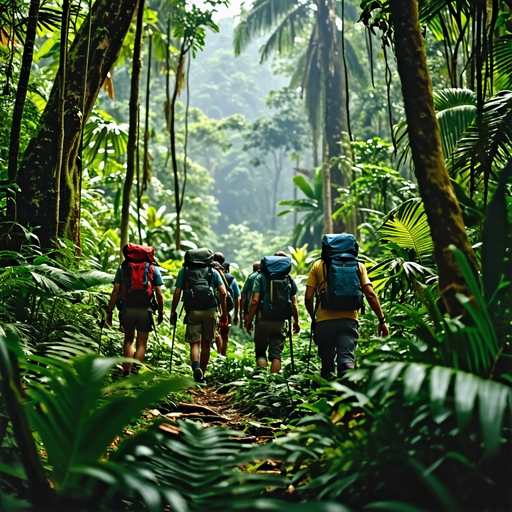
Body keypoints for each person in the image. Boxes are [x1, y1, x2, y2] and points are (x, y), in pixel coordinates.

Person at [304, 233, 389, 379]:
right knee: (347, 358)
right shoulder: (358, 265)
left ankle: (328, 396)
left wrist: (313, 317)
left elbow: (308, 297)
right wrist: (381, 320)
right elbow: (370, 294)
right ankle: (347, 394)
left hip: (324, 321)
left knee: (327, 361)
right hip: (349, 320)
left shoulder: (318, 265)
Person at [106, 244, 164, 377]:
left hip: (127, 309)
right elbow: (159, 294)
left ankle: (127, 372)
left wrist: (109, 312)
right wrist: (160, 313)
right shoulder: (152, 268)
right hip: (146, 309)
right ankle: (136, 372)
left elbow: (115, 292)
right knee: (142, 343)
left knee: (128, 341)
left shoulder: (122, 268)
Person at [170, 248, 228, 383]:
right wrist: (224, 313)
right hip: (211, 310)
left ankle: (196, 367)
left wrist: (173, 311)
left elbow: (177, 293)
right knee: (206, 344)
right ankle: (202, 375)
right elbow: (223, 293)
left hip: (193, 311)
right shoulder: (213, 271)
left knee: (194, 343)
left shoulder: (184, 271)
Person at [245, 255, 300, 373]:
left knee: (260, 352)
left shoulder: (260, 277)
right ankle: (273, 385)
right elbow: (294, 304)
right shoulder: (289, 279)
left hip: (263, 319)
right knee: (276, 354)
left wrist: (249, 320)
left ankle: (262, 381)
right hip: (281, 320)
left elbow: (254, 301)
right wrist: (296, 321)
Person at [212, 252, 240, 356]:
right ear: (223, 262)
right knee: (224, 335)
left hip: (212, 308)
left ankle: (217, 355)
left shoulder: (209, 274)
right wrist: (236, 314)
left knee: (215, 334)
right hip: (226, 310)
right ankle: (222, 356)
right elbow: (237, 297)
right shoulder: (231, 278)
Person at [240, 261, 260, 330]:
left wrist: (243, 310)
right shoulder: (266, 276)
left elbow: (244, 294)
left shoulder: (251, 277)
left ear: (253, 269)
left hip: (251, 304)